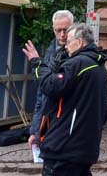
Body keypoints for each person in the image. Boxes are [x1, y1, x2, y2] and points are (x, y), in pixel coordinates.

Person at [23, 23, 107, 176]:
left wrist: (37, 63)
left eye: (69, 42)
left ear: (80, 42)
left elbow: (50, 87)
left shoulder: (78, 63)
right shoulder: (99, 68)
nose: (66, 47)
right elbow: (105, 110)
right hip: (84, 147)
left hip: (64, 148)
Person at [28, 9, 74, 152]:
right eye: (58, 30)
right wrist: (35, 130)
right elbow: (42, 95)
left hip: (67, 123)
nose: (62, 35)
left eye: (65, 30)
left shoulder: (78, 54)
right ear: (53, 29)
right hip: (49, 119)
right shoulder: (50, 50)